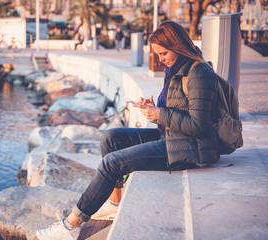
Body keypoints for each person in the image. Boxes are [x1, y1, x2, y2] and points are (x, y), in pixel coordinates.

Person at [34, 21, 220, 240]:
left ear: (178, 46)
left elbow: (199, 126)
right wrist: (155, 108)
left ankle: (70, 226)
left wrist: (159, 114)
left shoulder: (199, 73)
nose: (159, 59)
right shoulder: (176, 67)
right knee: (111, 138)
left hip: (191, 148)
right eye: (157, 54)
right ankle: (115, 202)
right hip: (173, 136)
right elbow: (180, 108)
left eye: (163, 53)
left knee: (111, 163)